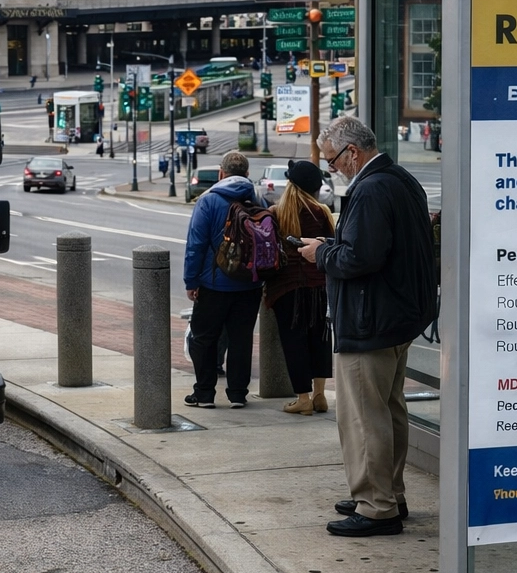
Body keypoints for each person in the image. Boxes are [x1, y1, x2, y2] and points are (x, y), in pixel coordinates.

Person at [298, 116, 436, 537]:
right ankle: (389, 492)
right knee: (389, 409)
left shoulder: (371, 189)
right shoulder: (400, 179)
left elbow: (360, 259)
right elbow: (380, 248)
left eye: (333, 159)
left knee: (363, 416)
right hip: (397, 317)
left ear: (352, 152)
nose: (332, 168)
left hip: (369, 318)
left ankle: (376, 505)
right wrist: (333, 246)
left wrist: (319, 255)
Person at [183, 151, 265, 408]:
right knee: (241, 338)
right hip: (250, 283)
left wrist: (191, 281)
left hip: (214, 283)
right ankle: (238, 394)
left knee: (204, 337)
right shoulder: (257, 198)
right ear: (247, 174)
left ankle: (205, 393)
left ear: (221, 173)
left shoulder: (208, 201)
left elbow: (196, 244)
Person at [265, 160, 334, 415]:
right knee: (320, 338)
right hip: (318, 285)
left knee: (294, 341)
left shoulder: (276, 212)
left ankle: (302, 398)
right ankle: (320, 395)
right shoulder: (323, 212)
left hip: (287, 287)